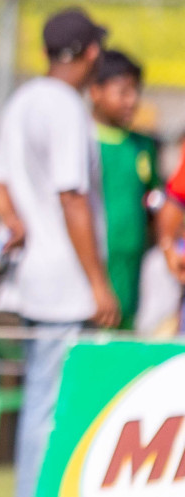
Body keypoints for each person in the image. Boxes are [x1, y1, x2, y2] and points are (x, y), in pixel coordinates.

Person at [0, 7, 116, 497]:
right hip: (64, 279)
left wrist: (14, 222)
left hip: (30, 274)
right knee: (51, 399)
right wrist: (98, 280)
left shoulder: (22, 101)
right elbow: (71, 196)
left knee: (44, 395)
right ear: (89, 53)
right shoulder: (65, 107)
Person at [88, 49, 157, 330]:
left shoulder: (143, 146)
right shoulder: (83, 141)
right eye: (123, 92)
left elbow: (154, 199)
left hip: (131, 269)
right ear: (95, 91)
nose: (132, 101)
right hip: (93, 270)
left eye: (136, 92)